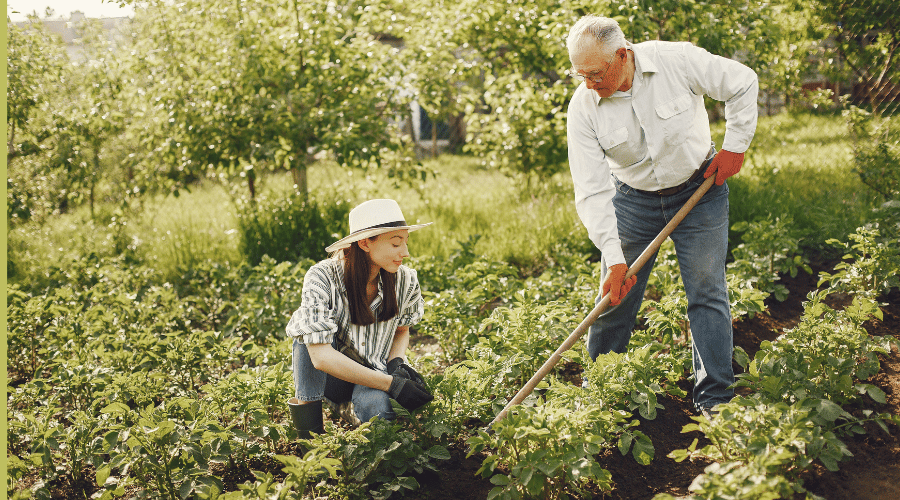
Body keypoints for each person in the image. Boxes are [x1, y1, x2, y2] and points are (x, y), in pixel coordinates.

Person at [564, 15, 758, 416]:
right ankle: (599, 394)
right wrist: (614, 258)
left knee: (706, 291)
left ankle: (716, 400)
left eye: (595, 73)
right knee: (615, 296)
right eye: (579, 74)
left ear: (623, 55)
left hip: (699, 189)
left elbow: (742, 81)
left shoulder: (677, 61)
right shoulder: (583, 107)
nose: (588, 84)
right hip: (632, 201)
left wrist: (735, 145)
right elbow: (592, 189)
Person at [285, 198, 434, 437]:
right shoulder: (322, 277)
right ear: (365, 243)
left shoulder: (406, 280)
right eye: (396, 244)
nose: (405, 252)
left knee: (379, 412)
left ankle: (350, 410)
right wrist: (391, 385)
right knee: (306, 336)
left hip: (373, 373)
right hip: (332, 378)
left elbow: (402, 330)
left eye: (406, 242)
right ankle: (309, 440)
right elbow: (320, 358)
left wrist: (396, 363)